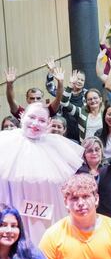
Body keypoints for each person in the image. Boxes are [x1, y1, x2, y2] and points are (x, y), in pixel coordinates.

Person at [0, 102, 83, 245]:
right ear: (22, 116)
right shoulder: (5, 142)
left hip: (45, 218)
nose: (35, 123)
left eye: (42, 120)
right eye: (31, 117)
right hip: (12, 217)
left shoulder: (57, 146)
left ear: (49, 123)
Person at [77, 137, 111, 223]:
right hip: (88, 219)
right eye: (90, 150)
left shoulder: (110, 166)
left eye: (97, 149)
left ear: (101, 151)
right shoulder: (78, 172)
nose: (94, 153)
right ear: (84, 154)